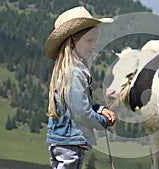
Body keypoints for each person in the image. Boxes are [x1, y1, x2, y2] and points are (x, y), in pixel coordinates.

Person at [45, 6, 116, 169]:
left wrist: (99, 109)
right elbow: (81, 111)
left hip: (60, 140)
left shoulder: (66, 70)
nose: (93, 46)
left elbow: (77, 104)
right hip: (71, 141)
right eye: (89, 41)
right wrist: (103, 121)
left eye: (94, 41)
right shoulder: (75, 73)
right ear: (72, 41)